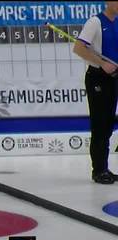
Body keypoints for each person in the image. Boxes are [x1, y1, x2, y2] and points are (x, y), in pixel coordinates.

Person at [73, 1, 118, 185]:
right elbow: (78, 48)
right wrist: (101, 63)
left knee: (108, 124)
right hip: (98, 77)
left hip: (113, 77)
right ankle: (98, 170)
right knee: (100, 124)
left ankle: (105, 167)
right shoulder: (95, 22)